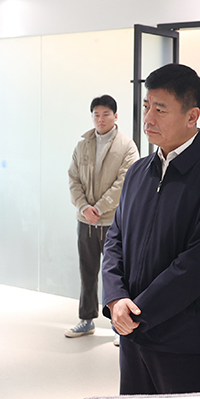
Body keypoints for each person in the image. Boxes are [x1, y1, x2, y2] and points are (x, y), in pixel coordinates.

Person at [102, 63, 200, 395]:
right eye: (146, 106)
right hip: (133, 336)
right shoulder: (138, 172)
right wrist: (115, 298)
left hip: (184, 343)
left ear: (192, 116)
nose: (148, 118)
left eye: (160, 109)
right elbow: (115, 240)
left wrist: (138, 311)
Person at [65, 95, 139, 339]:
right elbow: (73, 179)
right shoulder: (82, 145)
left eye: (106, 114)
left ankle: (120, 326)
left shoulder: (127, 146)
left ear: (115, 116)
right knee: (87, 273)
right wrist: (84, 207)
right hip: (85, 222)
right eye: (96, 114)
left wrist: (99, 207)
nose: (100, 119)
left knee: (117, 275)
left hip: (114, 222)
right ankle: (86, 320)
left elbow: (125, 182)